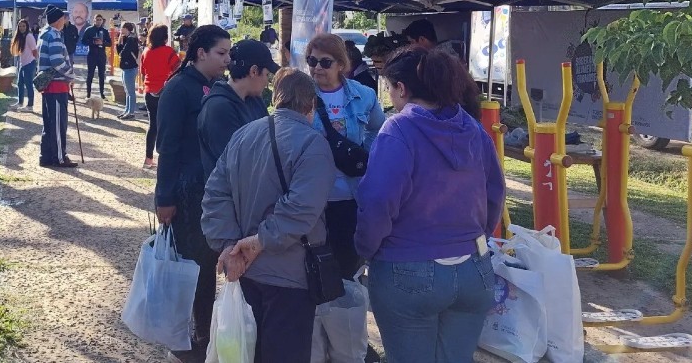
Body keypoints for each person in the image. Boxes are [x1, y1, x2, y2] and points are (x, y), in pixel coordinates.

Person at [355, 46, 504, 363]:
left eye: (390, 88)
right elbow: (495, 194)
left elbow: (378, 200)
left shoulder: (398, 130)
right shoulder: (475, 131)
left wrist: (366, 248)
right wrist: (477, 239)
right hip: (473, 268)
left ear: (402, 89)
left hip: (407, 270)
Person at [201, 68, 334, 363]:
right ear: (311, 104)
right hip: (289, 276)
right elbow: (301, 209)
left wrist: (228, 245)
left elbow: (215, 194)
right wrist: (259, 241)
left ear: (275, 99)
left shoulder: (243, 135)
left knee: (242, 355)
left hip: (243, 271)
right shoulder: (313, 144)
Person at [155, 25, 231, 363]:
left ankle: (203, 332)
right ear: (201, 53)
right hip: (185, 193)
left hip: (211, 191)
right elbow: (167, 146)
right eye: (221, 53)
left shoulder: (216, 86)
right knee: (190, 267)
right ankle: (187, 339)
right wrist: (164, 197)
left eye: (228, 53)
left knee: (207, 263)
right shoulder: (177, 89)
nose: (227, 60)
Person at [304, 33, 385, 280]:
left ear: (341, 64)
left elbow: (378, 129)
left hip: (352, 196)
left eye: (325, 62)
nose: (317, 67)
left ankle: (343, 316)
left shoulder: (364, 95)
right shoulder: (301, 95)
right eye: (311, 60)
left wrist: (360, 155)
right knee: (313, 271)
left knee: (347, 269)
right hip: (313, 198)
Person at [197, 39, 278, 179]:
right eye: (266, 75)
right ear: (254, 71)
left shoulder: (254, 99)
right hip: (227, 197)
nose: (267, 82)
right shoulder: (219, 108)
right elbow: (236, 163)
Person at [37, 5, 78, 169]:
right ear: (58, 20)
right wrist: (71, 75)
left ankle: (46, 156)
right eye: (63, 18)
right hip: (56, 84)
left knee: (49, 123)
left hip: (50, 85)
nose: (65, 20)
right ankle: (60, 157)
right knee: (58, 124)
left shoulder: (44, 34)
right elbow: (57, 62)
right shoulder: (53, 35)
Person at [139, 25, 180, 170]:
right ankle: (164, 158)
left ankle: (148, 159)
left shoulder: (145, 51)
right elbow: (178, 68)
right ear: (165, 37)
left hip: (149, 91)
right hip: (166, 91)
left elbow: (143, 72)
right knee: (167, 125)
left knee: (153, 126)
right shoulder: (168, 51)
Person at [11, 19, 38, 112]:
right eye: (20, 26)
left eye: (23, 26)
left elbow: (35, 51)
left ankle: (30, 105)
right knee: (20, 83)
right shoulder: (21, 37)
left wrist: (35, 62)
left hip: (29, 63)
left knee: (29, 84)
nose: (21, 28)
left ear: (27, 27)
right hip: (23, 63)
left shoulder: (29, 36)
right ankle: (20, 102)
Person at [81, 14, 111, 98]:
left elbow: (110, 43)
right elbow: (83, 41)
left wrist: (102, 43)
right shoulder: (89, 30)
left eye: (100, 20)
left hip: (101, 55)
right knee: (90, 74)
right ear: (94, 20)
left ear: (102, 21)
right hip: (92, 55)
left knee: (101, 75)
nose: (98, 21)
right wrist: (93, 42)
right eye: (97, 19)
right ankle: (88, 93)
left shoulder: (105, 31)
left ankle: (102, 93)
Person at [116, 22, 141, 120]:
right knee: (127, 91)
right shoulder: (126, 38)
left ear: (127, 29)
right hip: (125, 68)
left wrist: (122, 51)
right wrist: (119, 40)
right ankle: (127, 110)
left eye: (122, 28)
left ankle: (131, 112)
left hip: (130, 67)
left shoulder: (132, 39)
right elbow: (119, 51)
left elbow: (124, 53)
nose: (121, 30)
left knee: (131, 92)